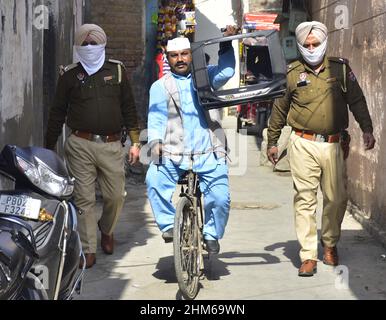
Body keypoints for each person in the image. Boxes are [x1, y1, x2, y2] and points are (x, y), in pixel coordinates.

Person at [267, 21, 376, 277]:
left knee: (336, 199)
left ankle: (329, 243)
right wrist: (272, 141)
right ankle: (308, 255)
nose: (312, 48)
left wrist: (367, 128)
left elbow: (357, 100)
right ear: (301, 46)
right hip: (302, 143)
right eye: (307, 45)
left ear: (324, 43)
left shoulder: (340, 69)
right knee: (304, 199)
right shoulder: (292, 73)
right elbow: (280, 110)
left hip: (333, 144)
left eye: (316, 44)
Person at [45, 24, 141, 269]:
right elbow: (57, 112)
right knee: (84, 199)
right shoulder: (69, 75)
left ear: (103, 44)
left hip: (111, 145)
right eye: (84, 44)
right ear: (78, 46)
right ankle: (88, 249)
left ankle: (106, 229)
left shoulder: (117, 71)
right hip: (79, 144)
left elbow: (129, 108)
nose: (89, 48)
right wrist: (49, 147)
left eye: (94, 43)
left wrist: (136, 141)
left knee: (116, 196)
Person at [144, 26, 238, 254]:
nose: (180, 59)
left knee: (220, 198)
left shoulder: (205, 78)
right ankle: (168, 224)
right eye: (174, 56)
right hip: (173, 154)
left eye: (184, 54)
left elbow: (226, 72)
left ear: (191, 54)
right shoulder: (160, 86)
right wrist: (155, 142)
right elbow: (156, 117)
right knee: (153, 179)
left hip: (208, 152)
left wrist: (226, 44)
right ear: (168, 58)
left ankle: (211, 233)